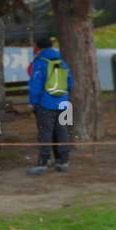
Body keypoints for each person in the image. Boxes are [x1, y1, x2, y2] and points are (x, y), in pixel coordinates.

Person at [26, 36, 72, 175]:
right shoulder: (62, 61)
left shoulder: (40, 62)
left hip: (46, 103)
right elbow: (70, 83)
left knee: (45, 132)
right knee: (62, 130)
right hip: (63, 101)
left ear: (37, 47)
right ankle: (63, 160)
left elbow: (35, 85)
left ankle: (44, 162)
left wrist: (33, 102)